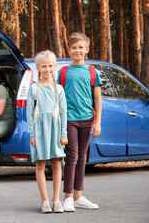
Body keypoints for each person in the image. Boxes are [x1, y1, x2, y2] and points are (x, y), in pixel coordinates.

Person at [57, 32, 102, 211]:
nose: (77, 50)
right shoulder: (64, 72)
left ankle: (78, 196)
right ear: (69, 50)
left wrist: (97, 122)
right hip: (69, 120)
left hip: (87, 120)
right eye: (74, 47)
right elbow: (57, 97)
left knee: (82, 158)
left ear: (87, 50)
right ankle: (67, 197)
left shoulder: (92, 72)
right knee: (72, 156)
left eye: (81, 47)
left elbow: (97, 98)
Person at [27, 50, 68, 213]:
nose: (47, 69)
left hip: (56, 130)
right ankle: (45, 201)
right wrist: (32, 134)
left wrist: (64, 133)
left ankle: (56, 199)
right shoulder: (32, 89)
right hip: (39, 130)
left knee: (57, 162)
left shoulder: (59, 89)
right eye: (44, 66)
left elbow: (64, 112)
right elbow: (30, 113)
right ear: (38, 67)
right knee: (41, 163)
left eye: (50, 66)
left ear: (54, 66)